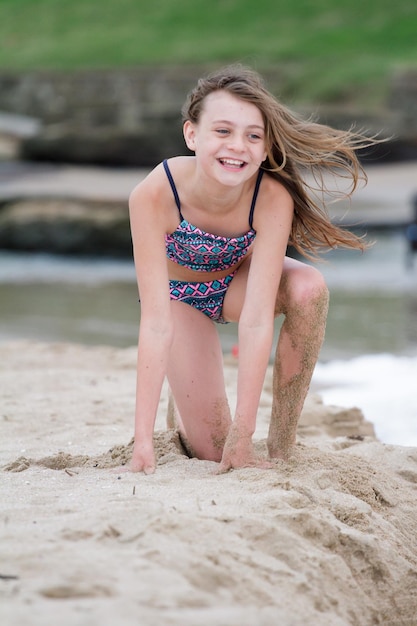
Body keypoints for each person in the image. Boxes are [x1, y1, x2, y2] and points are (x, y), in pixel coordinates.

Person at [128, 64, 375, 474]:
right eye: (222, 131)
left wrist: (246, 439)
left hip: (236, 289)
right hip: (177, 303)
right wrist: (142, 445)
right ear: (193, 134)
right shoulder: (155, 193)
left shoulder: (271, 195)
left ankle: (281, 446)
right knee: (212, 450)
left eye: (253, 136)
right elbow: (154, 324)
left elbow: (257, 321)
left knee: (308, 286)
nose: (237, 146)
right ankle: (185, 387)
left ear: (265, 148)